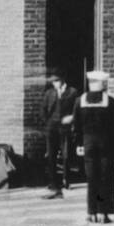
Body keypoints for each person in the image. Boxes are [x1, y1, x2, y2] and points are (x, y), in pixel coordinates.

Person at [75, 70, 114, 224]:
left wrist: (79, 144)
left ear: (90, 83)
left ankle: (91, 212)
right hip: (107, 145)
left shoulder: (79, 101)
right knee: (106, 178)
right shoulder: (110, 101)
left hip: (88, 143)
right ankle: (103, 212)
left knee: (91, 178)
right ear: (102, 84)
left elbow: (76, 126)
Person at [42, 70, 81, 199]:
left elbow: (76, 110)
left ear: (63, 80)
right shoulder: (49, 93)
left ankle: (66, 180)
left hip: (65, 127)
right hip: (52, 128)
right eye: (53, 81)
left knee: (66, 155)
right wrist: (47, 123)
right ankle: (53, 182)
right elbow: (43, 109)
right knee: (51, 155)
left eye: (56, 81)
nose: (54, 84)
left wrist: (72, 120)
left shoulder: (72, 92)